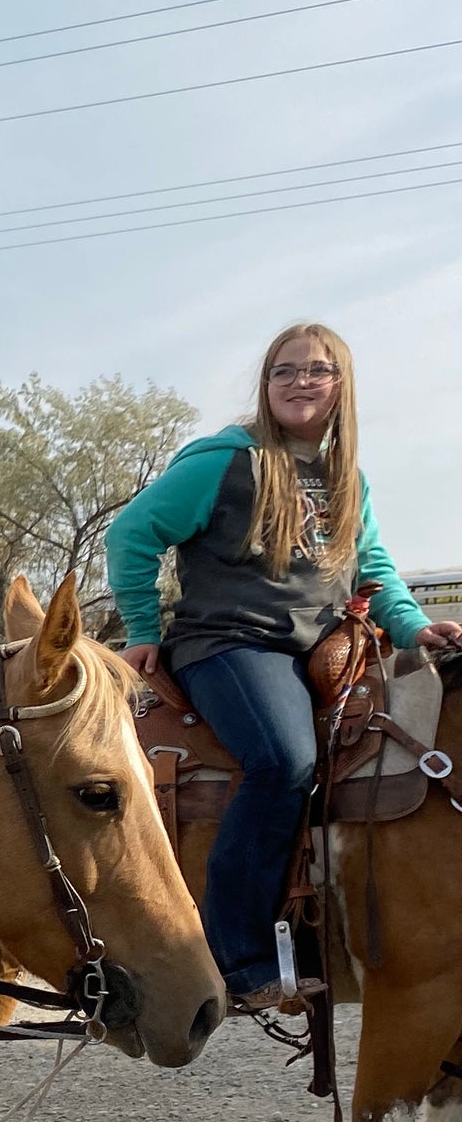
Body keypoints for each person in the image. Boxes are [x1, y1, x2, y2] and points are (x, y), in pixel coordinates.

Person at [106, 320, 462, 1012]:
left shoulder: (344, 477)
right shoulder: (225, 462)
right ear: (266, 386)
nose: (300, 381)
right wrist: (144, 628)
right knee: (283, 760)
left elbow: (375, 568)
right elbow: (132, 533)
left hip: (320, 649)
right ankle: (233, 955)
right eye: (284, 370)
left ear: (341, 386)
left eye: (317, 369)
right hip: (231, 644)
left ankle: (329, 927)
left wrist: (416, 628)